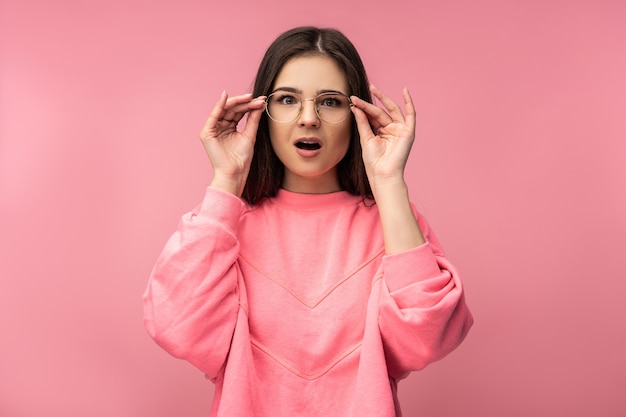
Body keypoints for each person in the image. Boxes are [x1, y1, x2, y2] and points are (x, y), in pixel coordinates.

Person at [143, 26, 473, 417]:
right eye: (287, 99)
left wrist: (388, 184)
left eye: (330, 102)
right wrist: (227, 180)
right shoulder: (228, 223)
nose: (308, 119)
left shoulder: (392, 221)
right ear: (261, 113)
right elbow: (178, 329)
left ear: (356, 115)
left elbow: (428, 338)